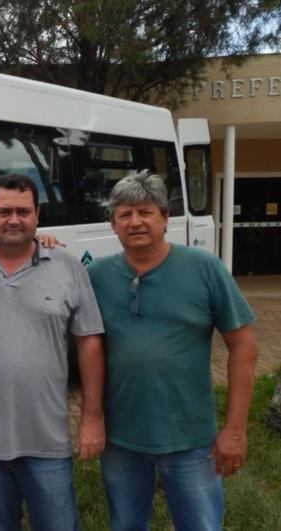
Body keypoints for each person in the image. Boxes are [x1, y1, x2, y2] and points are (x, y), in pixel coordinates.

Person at [87, 170, 258, 531]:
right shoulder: (96, 276)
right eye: (124, 214)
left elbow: (243, 346)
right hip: (121, 438)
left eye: (145, 212)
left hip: (191, 439)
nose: (135, 222)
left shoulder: (205, 268)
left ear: (165, 218)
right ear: (113, 224)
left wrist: (235, 429)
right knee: (125, 524)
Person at [0, 173, 105, 531]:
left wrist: (92, 417)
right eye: (4, 211)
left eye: (23, 211)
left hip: (47, 439)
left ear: (37, 215)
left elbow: (89, 340)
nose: (14, 220)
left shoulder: (67, 266)